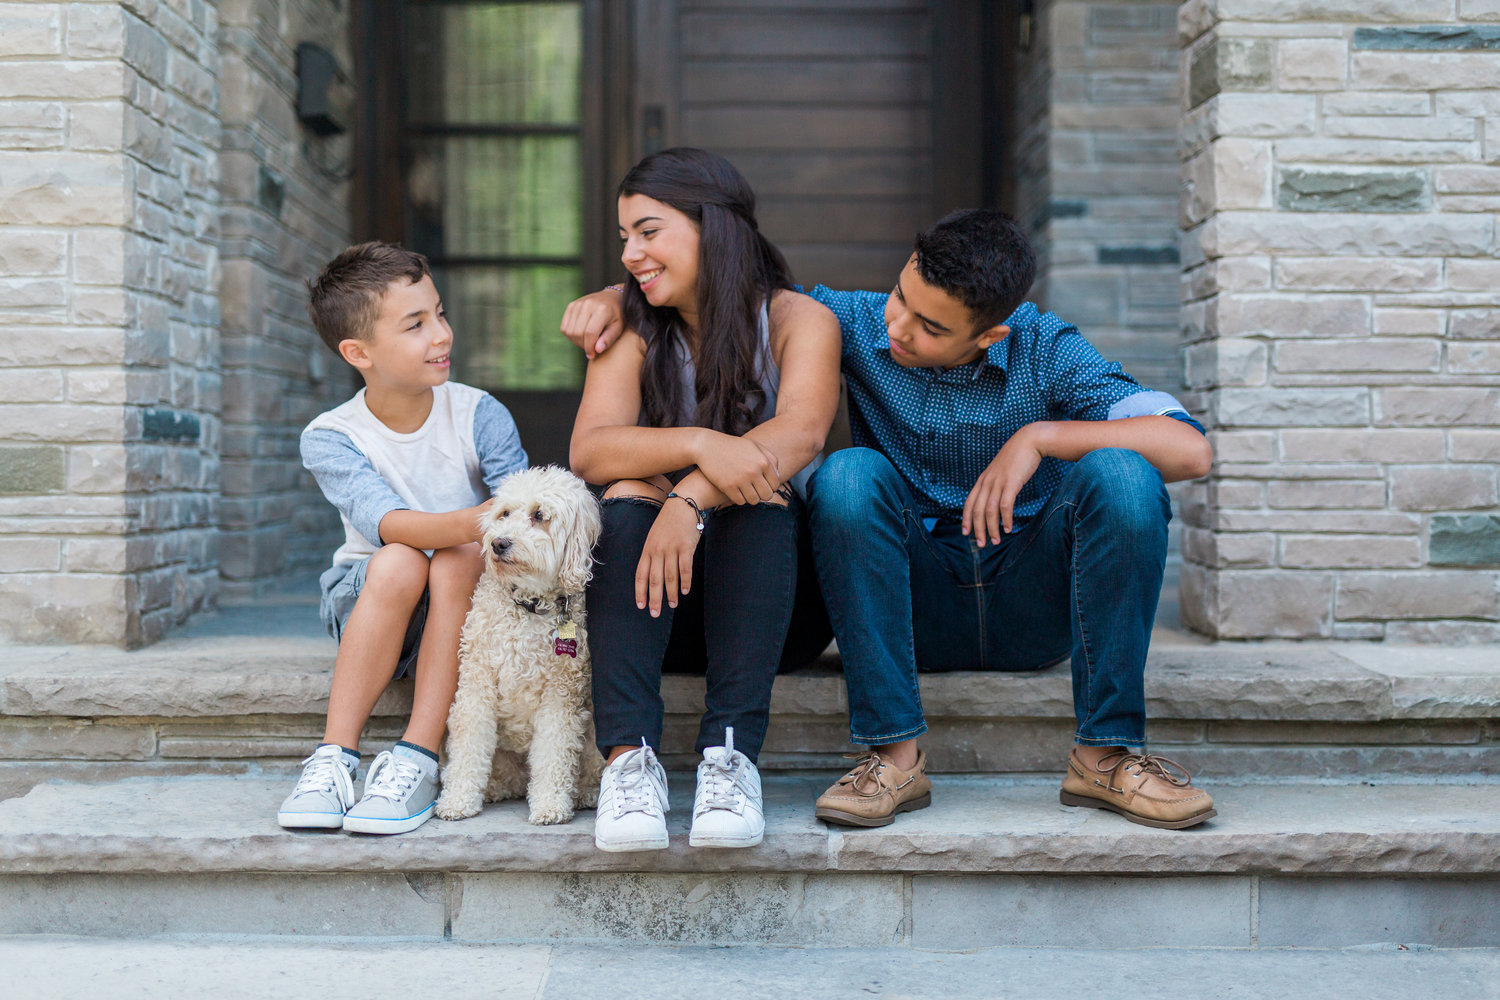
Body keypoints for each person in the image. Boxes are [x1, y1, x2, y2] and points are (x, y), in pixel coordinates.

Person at [561, 209, 1217, 831]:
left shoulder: (1048, 350)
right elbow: (732, 290)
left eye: (932, 327)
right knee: (848, 476)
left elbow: (1189, 449)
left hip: (1031, 602)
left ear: (991, 333)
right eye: (902, 298)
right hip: (911, 605)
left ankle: (1105, 758)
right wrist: (618, 296)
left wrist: (1042, 437)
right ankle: (893, 759)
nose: (899, 328)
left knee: (1125, 474)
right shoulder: (852, 321)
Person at [569, 147, 840, 852]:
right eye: (624, 237)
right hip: (651, 611)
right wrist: (698, 442)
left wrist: (689, 496)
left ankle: (729, 759)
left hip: (770, 615)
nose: (631, 253)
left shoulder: (797, 319)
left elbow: (802, 432)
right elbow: (592, 451)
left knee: (758, 491)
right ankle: (627, 767)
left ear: (712, 227)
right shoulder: (628, 327)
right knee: (625, 491)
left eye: (648, 231)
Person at [280, 242, 526, 835]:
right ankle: (335, 757)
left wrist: (491, 527)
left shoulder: (478, 412)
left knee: (457, 558)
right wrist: (488, 519)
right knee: (399, 560)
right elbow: (388, 524)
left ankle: (416, 757)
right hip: (371, 597)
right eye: (415, 325)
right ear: (357, 352)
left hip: (468, 605)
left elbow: (524, 517)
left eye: (439, 313)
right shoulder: (332, 436)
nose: (440, 334)